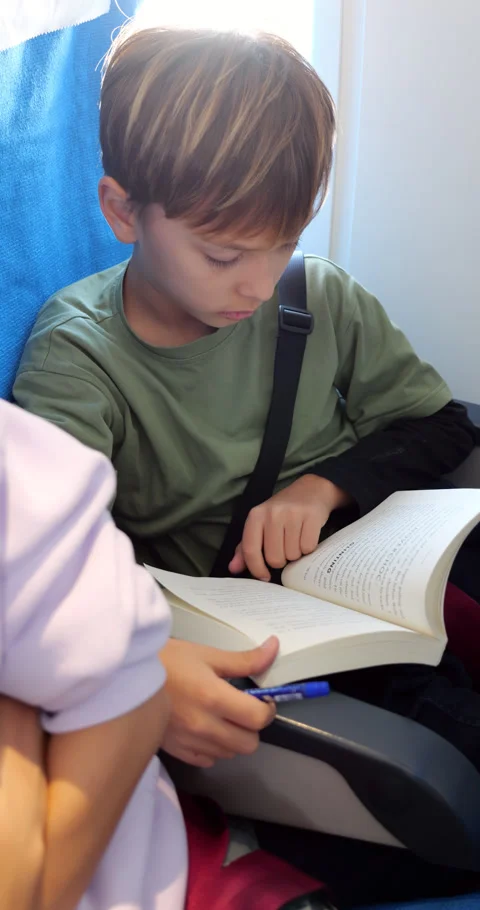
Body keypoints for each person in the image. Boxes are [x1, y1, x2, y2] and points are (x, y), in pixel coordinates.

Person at [12, 25, 480, 779]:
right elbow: (45, 568)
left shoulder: (316, 294)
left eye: (285, 242)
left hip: (374, 570)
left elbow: (440, 423)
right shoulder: (80, 355)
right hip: (257, 636)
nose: (260, 287)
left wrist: (322, 488)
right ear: (124, 212)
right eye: (224, 255)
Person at [0, 399, 333, 910]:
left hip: (153, 848)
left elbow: (437, 421)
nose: (256, 311)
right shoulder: (75, 365)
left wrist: (324, 486)